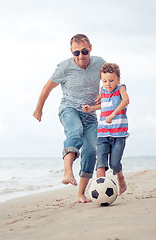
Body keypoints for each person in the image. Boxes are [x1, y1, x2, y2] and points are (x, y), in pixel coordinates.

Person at [33, 34, 106, 203]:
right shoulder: (64, 67)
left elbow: (113, 79)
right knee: (75, 132)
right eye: (76, 52)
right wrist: (39, 109)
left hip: (90, 115)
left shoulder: (100, 63)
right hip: (69, 109)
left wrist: (104, 91)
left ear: (91, 48)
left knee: (91, 151)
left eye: (84, 51)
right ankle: (67, 172)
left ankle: (81, 193)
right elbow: (47, 88)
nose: (81, 56)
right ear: (71, 52)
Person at [82, 63, 129, 194]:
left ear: (118, 79)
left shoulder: (121, 88)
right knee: (101, 162)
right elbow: (103, 105)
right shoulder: (103, 91)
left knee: (114, 163)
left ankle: (120, 178)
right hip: (102, 133)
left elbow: (125, 101)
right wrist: (90, 108)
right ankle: (100, 191)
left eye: (111, 80)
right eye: (105, 81)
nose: (108, 84)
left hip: (118, 134)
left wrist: (113, 114)